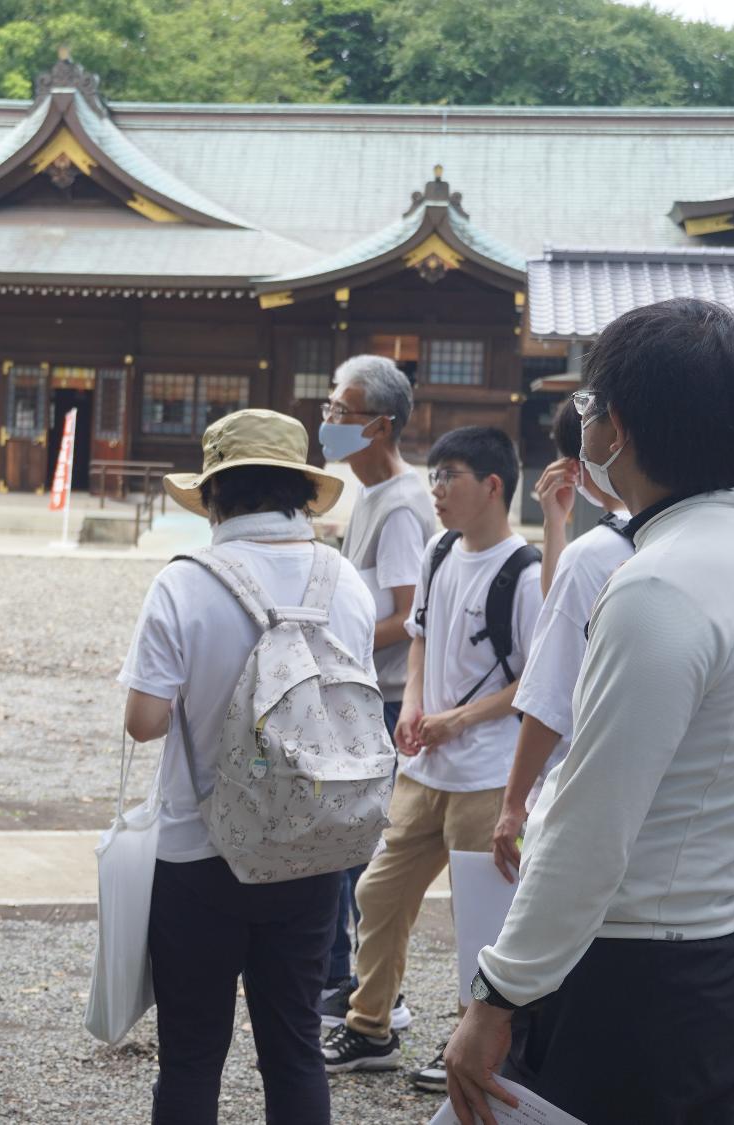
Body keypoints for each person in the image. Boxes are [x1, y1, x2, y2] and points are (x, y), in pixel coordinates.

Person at [444, 298, 734, 1125]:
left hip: (632, 972)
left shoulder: (658, 584)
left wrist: (496, 996)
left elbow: (590, 822)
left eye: (586, 408)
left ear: (614, 427)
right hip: (721, 946)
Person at [121, 409, 377, 1125]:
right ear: (300, 490)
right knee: (293, 1048)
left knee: (193, 1056)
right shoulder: (344, 583)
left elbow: (144, 723)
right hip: (311, 847)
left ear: (214, 497)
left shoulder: (183, 584)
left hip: (198, 852)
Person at [323, 425, 542, 1092]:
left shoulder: (524, 574)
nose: (436, 489)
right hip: (427, 769)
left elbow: (538, 683)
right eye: (434, 474)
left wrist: (459, 720)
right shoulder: (440, 549)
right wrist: (415, 706)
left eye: (450, 475)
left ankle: (470, 1040)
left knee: (479, 917)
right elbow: (418, 637)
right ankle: (370, 1024)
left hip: (488, 774)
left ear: (493, 485)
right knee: (379, 889)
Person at [317, 354, 434, 1031]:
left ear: (381, 426)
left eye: (342, 411)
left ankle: (370, 989)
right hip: (363, 691)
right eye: (329, 409)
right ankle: (348, 982)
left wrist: (335, 651)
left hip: (382, 700)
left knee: (359, 850)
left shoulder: (399, 505)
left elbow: (406, 616)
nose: (329, 421)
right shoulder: (371, 492)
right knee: (343, 842)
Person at [491, 400, 632, 882]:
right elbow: (563, 606)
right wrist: (555, 524)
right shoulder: (673, 531)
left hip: (578, 783)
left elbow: (551, 685)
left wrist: (512, 804)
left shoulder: (594, 553)